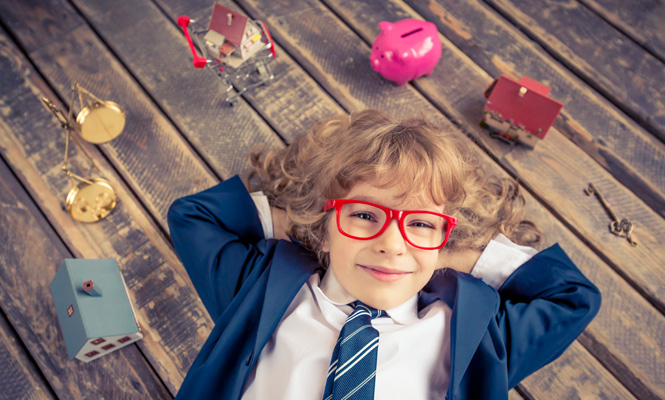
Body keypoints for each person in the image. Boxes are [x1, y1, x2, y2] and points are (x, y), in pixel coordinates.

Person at [167, 109, 601, 399]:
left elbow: (574, 297)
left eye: (420, 222)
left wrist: (435, 252)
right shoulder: (259, 289)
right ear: (326, 224)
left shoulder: (476, 335)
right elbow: (194, 216)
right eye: (364, 215)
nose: (391, 243)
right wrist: (310, 225)